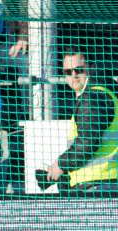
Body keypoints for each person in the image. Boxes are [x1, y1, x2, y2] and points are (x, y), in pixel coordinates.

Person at [46, 50, 118, 193]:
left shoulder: (93, 99)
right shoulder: (100, 93)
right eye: (68, 71)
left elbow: (87, 142)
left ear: (90, 68)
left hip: (98, 184)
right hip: (101, 182)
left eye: (79, 70)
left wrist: (61, 164)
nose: (74, 75)